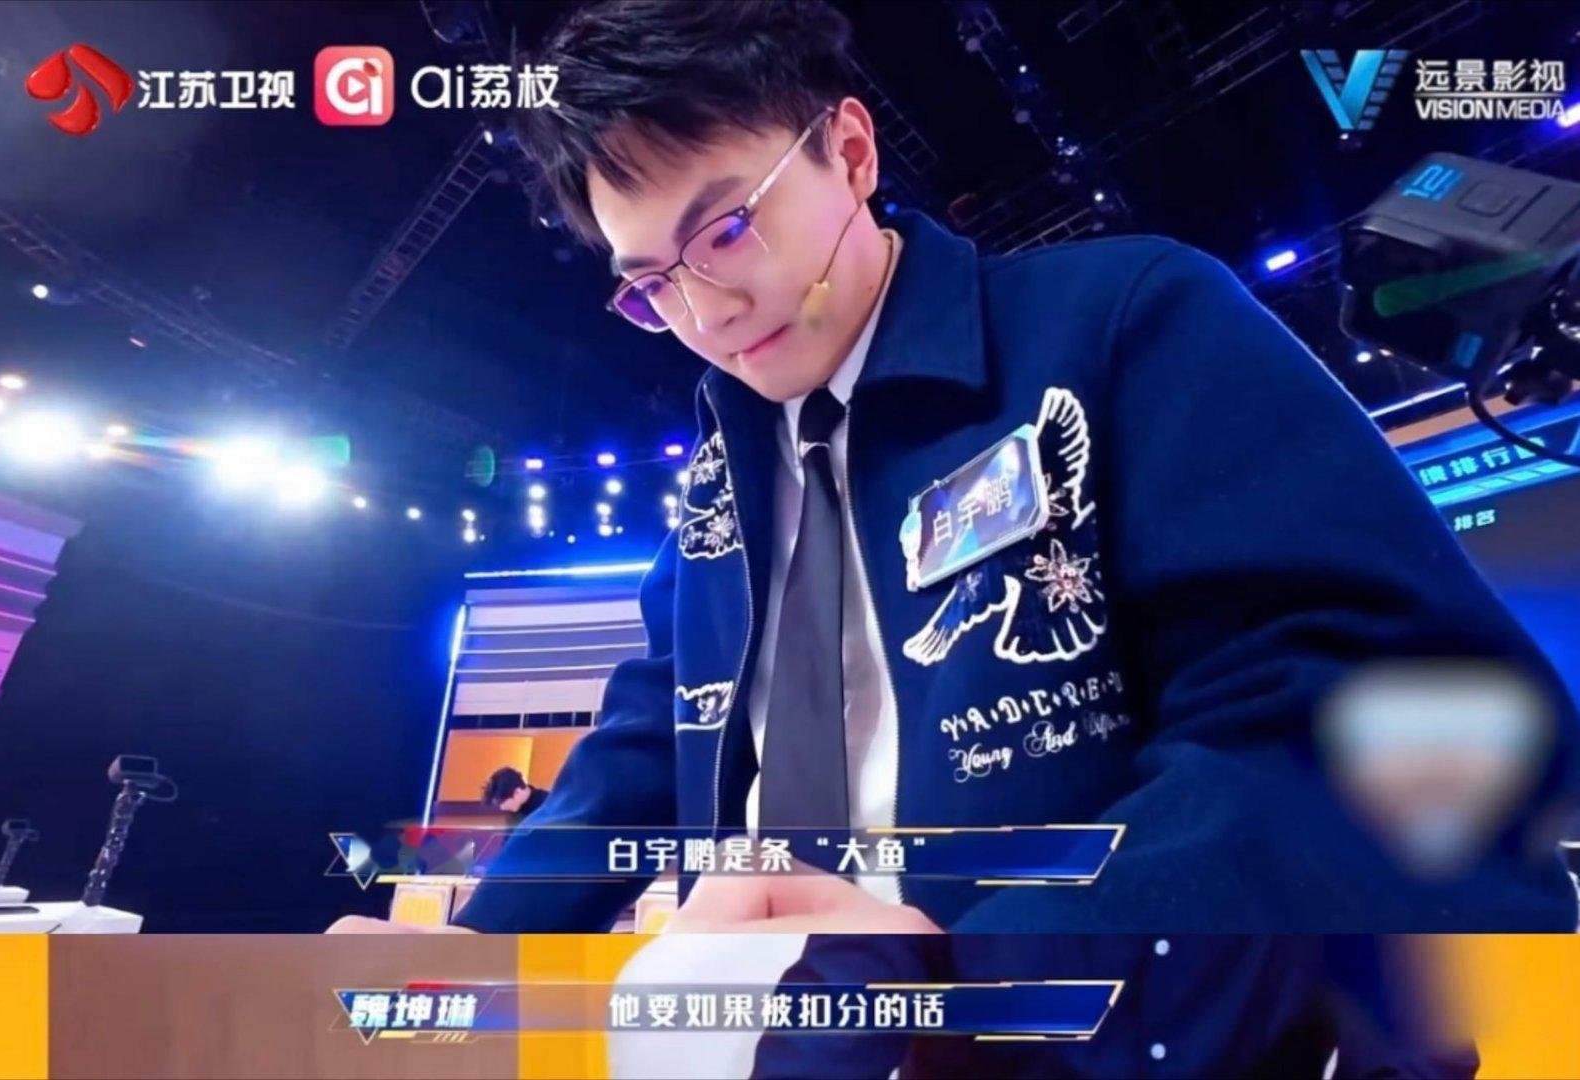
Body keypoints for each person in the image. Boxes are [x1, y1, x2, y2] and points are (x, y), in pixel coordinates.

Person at [337, 0, 1579, 944]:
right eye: (652, 282)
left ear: (850, 152)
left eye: (726, 228)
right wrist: (470, 955)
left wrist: (978, 967)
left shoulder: (1121, 322)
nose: (706, 312)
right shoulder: (723, 482)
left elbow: (1359, 717)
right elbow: (645, 747)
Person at [483, 766, 549, 822]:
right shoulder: (514, 812)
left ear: (517, 792)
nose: (502, 808)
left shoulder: (548, 804)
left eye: (502, 802)